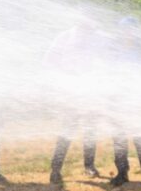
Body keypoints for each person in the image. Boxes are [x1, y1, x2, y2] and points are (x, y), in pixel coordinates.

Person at [43, 21, 103, 184]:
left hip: (91, 90)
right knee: (67, 130)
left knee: (90, 130)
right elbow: (48, 59)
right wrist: (63, 77)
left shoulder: (96, 39)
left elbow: (104, 62)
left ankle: (89, 166)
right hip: (70, 92)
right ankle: (56, 169)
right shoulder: (65, 37)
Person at [108, 16, 141, 186]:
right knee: (119, 139)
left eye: (131, 29)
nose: (128, 33)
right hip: (117, 101)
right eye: (124, 30)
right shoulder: (114, 52)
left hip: (137, 101)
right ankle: (122, 172)